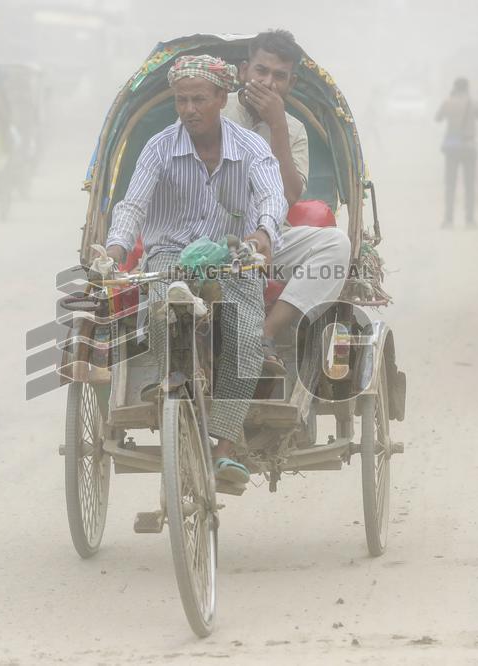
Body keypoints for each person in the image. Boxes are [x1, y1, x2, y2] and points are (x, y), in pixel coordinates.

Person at [104, 54, 287, 484]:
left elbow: (273, 198)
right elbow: (133, 204)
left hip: (231, 254)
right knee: (165, 309)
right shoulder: (159, 147)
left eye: (198, 100)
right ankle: (175, 393)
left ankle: (224, 447)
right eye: (181, 100)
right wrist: (115, 250)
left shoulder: (251, 147)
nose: (188, 110)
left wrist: (262, 234)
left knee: (245, 333)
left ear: (222, 98)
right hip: (171, 253)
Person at [222, 30, 350, 373]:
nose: (268, 83)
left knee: (336, 246)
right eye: (261, 71)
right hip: (212, 235)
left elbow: (290, 195)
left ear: (290, 83)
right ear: (243, 71)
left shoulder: (294, 130)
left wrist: (277, 125)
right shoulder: (214, 107)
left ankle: (267, 332)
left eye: (279, 76)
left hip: (270, 242)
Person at [436, 77, 478, 228]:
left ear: (455, 87)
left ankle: (449, 220)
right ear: (467, 88)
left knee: (450, 185)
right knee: (469, 185)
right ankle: (469, 220)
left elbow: (437, 118)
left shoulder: (448, 102)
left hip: (453, 148)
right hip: (469, 147)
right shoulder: (473, 103)